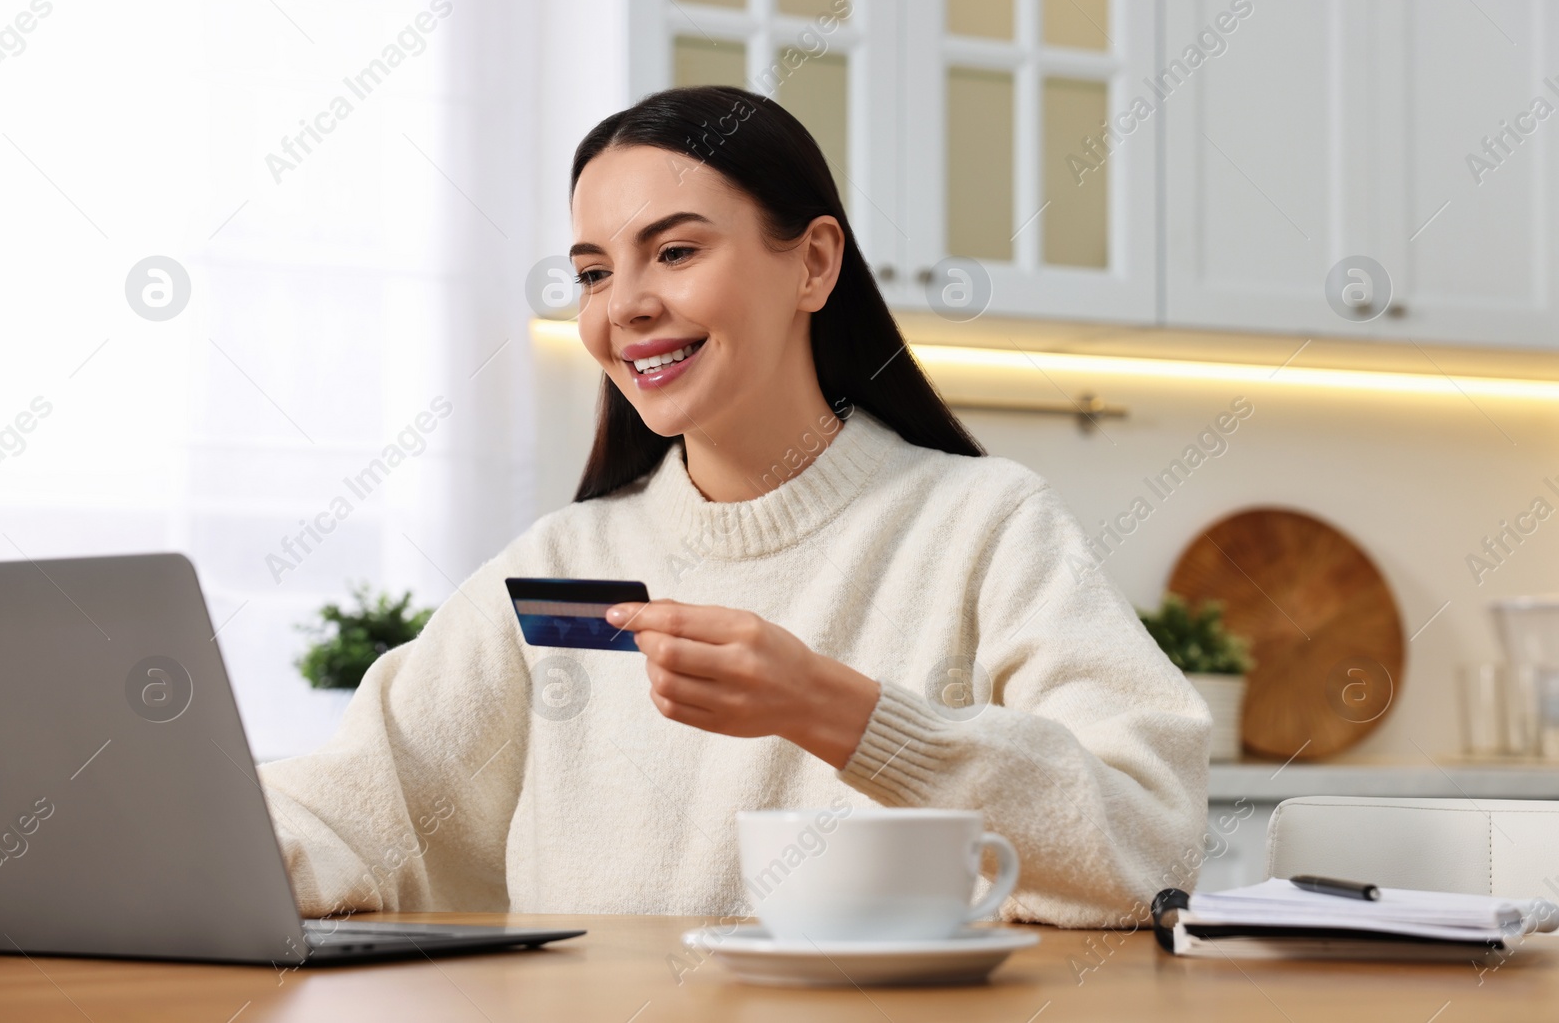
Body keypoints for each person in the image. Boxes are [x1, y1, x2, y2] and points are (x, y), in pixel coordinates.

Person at [258, 85, 1210, 929]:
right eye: (593, 272)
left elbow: (1149, 850)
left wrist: (838, 712)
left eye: (672, 251)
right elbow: (352, 812)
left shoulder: (983, 525)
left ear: (814, 264)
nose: (622, 305)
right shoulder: (560, 562)